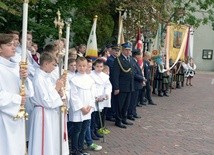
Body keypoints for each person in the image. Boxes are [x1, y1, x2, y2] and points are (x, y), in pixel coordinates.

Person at [28, 52, 68, 155]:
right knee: (43, 143)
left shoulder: (46, 77)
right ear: (45, 63)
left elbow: (52, 95)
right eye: (53, 65)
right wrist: (57, 88)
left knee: (50, 142)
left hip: (49, 114)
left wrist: (60, 92)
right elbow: (46, 101)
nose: (55, 68)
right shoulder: (38, 79)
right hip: (42, 113)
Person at [0, 33, 33, 155]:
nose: (14, 47)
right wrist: (17, 99)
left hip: (17, 116)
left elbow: (27, 91)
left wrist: (23, 78)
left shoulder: (16, 67)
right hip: (3, 117)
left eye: (14, 44)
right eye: (9, 45)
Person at [69, 57, 96, 155]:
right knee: (77, 130)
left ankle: (81, 149)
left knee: (84, 129)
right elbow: (74, 96)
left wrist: (90, 106)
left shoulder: (90, 79)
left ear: (87, 66)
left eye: (84, 66)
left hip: (88, 109)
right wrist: (81, 108)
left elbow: (93, 94)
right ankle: (74, 150)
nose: (81, 68)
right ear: (76, 65)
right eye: (79, 65)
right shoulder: (73, 79)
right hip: (79, 109)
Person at [112, 42, 135, 128]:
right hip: (122, 86)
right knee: (120, 105)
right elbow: (115, 75)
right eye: (126, 50)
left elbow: (132, 72)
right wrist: (116, 87)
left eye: (129, 50)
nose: (128, 52)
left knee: (126, 104)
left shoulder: (130, 59)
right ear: (123, 50)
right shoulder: (118, 60)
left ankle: (124, 118)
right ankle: (118, 120)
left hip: (129, 86)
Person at [90, 59, 112, 134]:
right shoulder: (90, 75)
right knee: (92, 116)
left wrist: (105, 94)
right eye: (97, 66)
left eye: (101, 66)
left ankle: (96, 130)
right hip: (94, 98)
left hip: (101, 98)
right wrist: (96, 97)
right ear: (94, 66)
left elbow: (108, 86)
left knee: (98, 116)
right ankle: (92, 131)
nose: (99, 68)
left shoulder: (105, 76)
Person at [127, 49, 144, 120]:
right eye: (139, 54)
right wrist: (142, 78)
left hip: (137, 84)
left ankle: (133, 113)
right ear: (136, 55)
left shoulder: (135, 62)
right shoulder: (132, 62)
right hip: (134, 84)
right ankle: (130, 114)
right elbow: (134, 74)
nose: (140, 56)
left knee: (135, 100)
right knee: (133, 100)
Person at [105, 44, 120, 122]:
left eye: (118, 51)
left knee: (114, 99)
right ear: (111, 51)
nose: (116, 52)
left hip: (115, 81)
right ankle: (109, 114)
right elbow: (113, 72)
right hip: (111, 81)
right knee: (112, 99)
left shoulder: (117, 59)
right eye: (115, 50)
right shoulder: (110, 59)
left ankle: (112, 113)